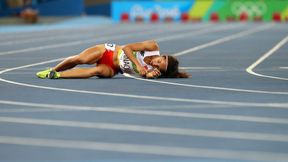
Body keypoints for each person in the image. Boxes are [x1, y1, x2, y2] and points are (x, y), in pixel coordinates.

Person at [36, 40, 190, 79]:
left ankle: (56, 75)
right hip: (109, 51)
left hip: (114, 69)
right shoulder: (152, 46)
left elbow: (145, 75)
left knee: (96, 71)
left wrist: (147, 74)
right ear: (162, 56)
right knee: (81, 59)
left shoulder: (152, 71)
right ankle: (53, 69)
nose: (155, 63)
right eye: (159, 61)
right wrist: (138, 64)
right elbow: (127, 48)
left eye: (159, 68)